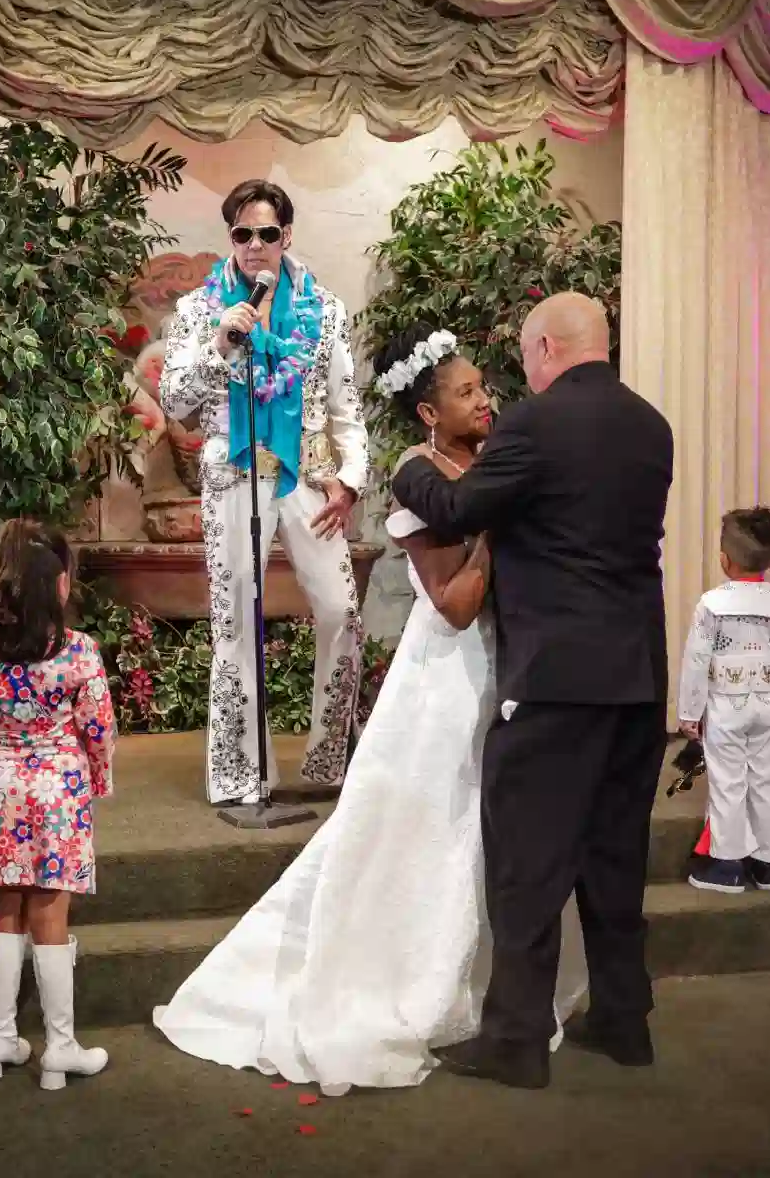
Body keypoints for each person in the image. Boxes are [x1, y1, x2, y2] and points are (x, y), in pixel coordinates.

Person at [152, 326, 587, 1094]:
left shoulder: (495, 465)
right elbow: (454, 606)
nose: (485, 400)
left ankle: (501, 991)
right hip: (446, 677)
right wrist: (497, 539)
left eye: (485, 387)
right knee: (432, 824)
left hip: (508, 669)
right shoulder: (421, 481)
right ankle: (399, 981)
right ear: (428, 411)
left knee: (497, 830)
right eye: (465, 392)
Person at [392, 293, 674, 1090]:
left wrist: (407, 467)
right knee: (615, 857)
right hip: (638, 675)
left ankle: (514, 1039)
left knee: (528, 861)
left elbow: (453, 507)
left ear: (546, 346)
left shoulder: (536, 424)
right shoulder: (652, 425)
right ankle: (625, 1021)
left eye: (524, 357)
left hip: (557, 678)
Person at [159, 179, 368, 804]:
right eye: (243, 234)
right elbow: (173, 399)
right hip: (233, 475)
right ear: (230, 239)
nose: (255, 246)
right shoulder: (200, 309)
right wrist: (221, 343)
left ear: (287, 237)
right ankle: (240, 773)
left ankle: (331, 756)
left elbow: (346, 408)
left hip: (307, 474)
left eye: (267, 234)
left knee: (341, 611)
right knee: (236, 621)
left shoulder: (325, 310)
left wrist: (351, 482)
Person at [0, 519, 117, 1091]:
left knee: (8, 908)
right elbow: (97, 729)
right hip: (58, 788)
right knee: (50, 909)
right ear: (60, 585)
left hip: (2, 784)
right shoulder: (79, 653)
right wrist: (98, 779)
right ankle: (60, 1046)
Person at [678, 508, 770, 895]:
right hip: (769, 706)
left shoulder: (712, 603)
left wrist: (689, 712)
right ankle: (767, 865)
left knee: (728, 781)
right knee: (767, 781)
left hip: (726, 708)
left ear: (723, 558)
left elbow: (697, 660)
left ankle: (727, 864)